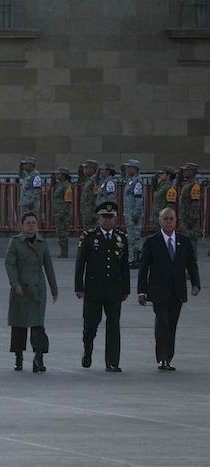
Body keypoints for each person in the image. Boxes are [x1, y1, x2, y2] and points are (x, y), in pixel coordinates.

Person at [137, 208, 200, 371]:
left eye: (171, 219)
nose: (169, 222)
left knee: (172, 325)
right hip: (158, 291)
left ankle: (168, 357)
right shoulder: (152, 241)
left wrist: (195, 284)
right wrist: (141, 291)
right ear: (160, 221)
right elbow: (143, 268)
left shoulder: (184, 241)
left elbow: (191, 264)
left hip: (177, 291)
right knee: (162, 323)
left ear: (176, 220)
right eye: (165, 219)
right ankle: (162, 358)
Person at [74, 202, 130, 373]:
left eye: (111, 217)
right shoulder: (89, 236)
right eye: (104, 217)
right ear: (98, 218)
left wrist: (126, 288)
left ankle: (112, 362)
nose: (108, 221)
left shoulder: (121, 237)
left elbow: (124, 265)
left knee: (113, 326)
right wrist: (79, 286)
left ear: (115, 219)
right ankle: (88, 350)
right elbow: (80, 263)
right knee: (90, 326)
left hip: (114, 289)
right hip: (93, 289)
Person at [4, 212, 58, 372]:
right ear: (22, 225)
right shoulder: (15, 242)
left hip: (37, 289)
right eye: (28, 223)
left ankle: (39, 356)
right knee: (19, 325)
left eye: (34, 223)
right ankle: (18, 357)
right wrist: (15, 284)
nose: (31, 226)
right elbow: (9, 264)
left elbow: (48, 267)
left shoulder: (42, 243)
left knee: (38, 325)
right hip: (20, 289)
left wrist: (54, 289)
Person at [121, 159, 144, 268]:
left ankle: (136, 258)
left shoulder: (137, 181)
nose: (127, 169)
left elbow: (139, 199)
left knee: (135, 236)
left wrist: (136, 214)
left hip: (134, 214)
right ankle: (132, 258)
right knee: (130, 236)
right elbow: (124, 177)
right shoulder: (131, 180)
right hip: (129, 213)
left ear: (135, 169)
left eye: (129, 167)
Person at [178, 162, 202, 255]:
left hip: (190, 219)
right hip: (185, 218)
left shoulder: (194, 185)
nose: (184, 172)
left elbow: (194, 203)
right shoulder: (187, 183)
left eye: (186, 170)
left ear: (192, 172)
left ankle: (192, 265)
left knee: (191, 242)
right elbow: (177, 183)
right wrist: (180, 173)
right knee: (186, 242)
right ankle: (187, 264)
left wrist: (192, 219)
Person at [52, 167, 73, 258]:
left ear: (64, 175)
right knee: (60, 232)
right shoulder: (59, 184)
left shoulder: (66, 185)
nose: (57, 175)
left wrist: (63, 212)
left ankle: (64, 252)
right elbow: (53, 184)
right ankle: (62, 251)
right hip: (58, 211)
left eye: (59, 174)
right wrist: (53, 176)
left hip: (63, 212)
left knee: (63, 232)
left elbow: (68, 201)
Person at [151, 166, 177, 232]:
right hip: (157, 217)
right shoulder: (162, 185)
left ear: (168, 175)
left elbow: (170, 205)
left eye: (162, 173)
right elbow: (154, 188)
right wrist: (155, 178)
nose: (160, 175)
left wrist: (166, 219)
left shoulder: (170, 188)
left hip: (164, 219)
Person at [19, 156, 41, 221]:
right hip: (24, 202)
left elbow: (37, 190)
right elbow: (20, 175)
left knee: (31, 221)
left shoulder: (35, 175)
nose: (24, 166)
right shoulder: (27, 174)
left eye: (26, 164)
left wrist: (32, 202)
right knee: (24, 221)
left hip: (30, 203)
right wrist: (20, 168)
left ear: (31, 165)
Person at [79, 160, 99, 230]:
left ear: (92, 169)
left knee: (92, 231)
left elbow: (96, 197)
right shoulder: (89, 180)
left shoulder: (95, 181)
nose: (84, 170)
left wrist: (95, 213)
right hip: (86, 210)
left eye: (86, 168)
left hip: (91, 211)